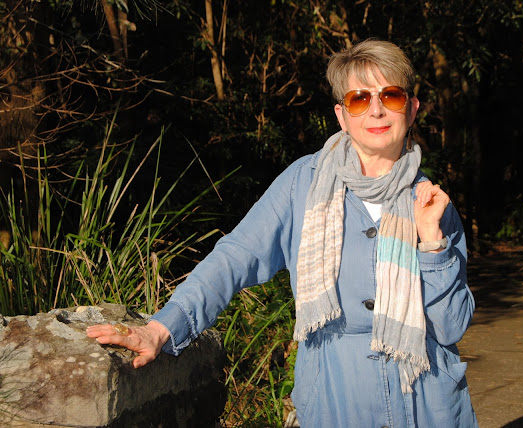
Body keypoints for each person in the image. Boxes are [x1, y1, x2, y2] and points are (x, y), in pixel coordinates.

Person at [87, 39, 477, 427]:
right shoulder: (302, 185)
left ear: (411, 108)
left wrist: (431, 243)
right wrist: (161, 328)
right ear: (342, 116)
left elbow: (450, 327)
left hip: (427, 405)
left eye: (390, 95)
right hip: (336, 401)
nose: (376, 109)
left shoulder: (434, 205)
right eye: (359, 99)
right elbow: (235, 257)